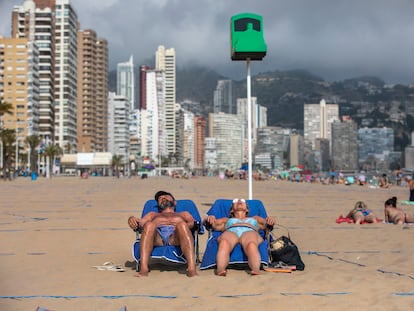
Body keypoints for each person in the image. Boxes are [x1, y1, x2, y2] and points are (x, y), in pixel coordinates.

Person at [128, 191, 197, 277]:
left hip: (176, 237)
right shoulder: (152, 214)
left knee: (182, 225)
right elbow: (141, 222)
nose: (163, 198)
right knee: (149, 225)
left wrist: (181, 228)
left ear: (174, 202)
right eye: (160, 198)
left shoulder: (184, 214)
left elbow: (192, 223)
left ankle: (191, 269)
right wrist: (132, 219)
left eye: (166, 196)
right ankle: (144, 269)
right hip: (158, 237)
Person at [204, 198, 276, 276]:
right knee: (224, 242)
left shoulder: (255, 219)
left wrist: (270, 220)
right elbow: (211, 224)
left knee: (251, 244)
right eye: (235, 201)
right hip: (231, 231)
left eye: (243, 201)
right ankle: (221, 269)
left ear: (247, 209)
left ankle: (255, 269)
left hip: (249, 230)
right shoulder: (226, 220)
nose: (239, 201)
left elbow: (266, 224)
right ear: (231, 210)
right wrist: (208, 219)